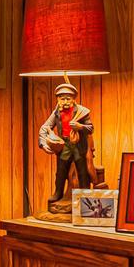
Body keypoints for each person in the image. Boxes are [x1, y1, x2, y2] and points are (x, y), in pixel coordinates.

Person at [38, 82, 98, 214]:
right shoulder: (57, 113)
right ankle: (58, 192)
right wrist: (43, 144)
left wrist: (80, 127)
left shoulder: (82, 112)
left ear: (73, 99)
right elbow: (45, 127)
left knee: (82, 171)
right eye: (62, 98)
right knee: (61, 171)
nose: (65, 102)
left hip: (78, 144)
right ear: (58, 99)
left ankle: (85, 194)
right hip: (64, 144)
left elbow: (91, 128)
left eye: (68, 98)